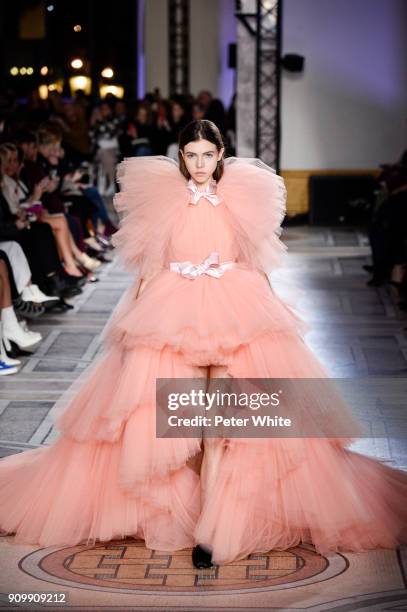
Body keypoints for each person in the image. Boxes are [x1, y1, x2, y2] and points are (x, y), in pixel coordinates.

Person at [0, 120, 406, 569]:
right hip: (173, 317)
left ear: (220, 155)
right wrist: (132, 330)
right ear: (181, 157)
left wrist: (271, 319)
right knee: (182, 426)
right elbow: (150, 268)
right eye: (190, 155)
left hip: (234, 313)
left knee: (218, 430)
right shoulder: (164, 201)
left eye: (206, 155)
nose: (198, 164)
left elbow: (256, 262)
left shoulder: (241, 198)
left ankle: (209, 532)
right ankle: (195, 516)